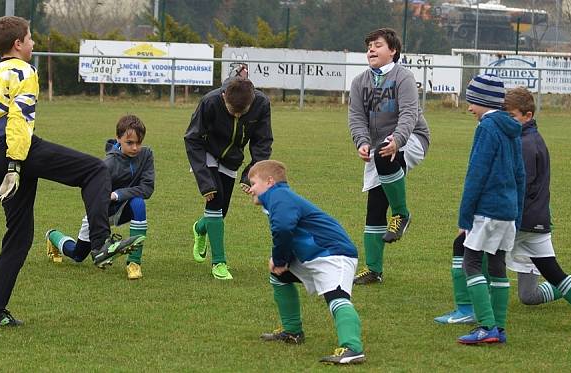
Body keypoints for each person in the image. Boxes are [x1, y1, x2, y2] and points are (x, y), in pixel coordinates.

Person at [0, 16, 142, 328]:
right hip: (16, 150)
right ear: (18, 44)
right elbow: (20, 119)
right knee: (94, 170)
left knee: (19, 237)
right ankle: (101, 243)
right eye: (31, 38)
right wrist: (14, 163)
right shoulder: (24, 70)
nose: (33, 43)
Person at [434, 88, 571, 334]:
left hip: (517, 218)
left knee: (468, 249)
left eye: (511, 115)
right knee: (548, 276)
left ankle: (469, 311)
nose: (506, 119)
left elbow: (517, 183)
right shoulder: (531, 138)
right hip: (538, 220)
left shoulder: (521, 143)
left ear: (527, 116)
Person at [249, 160, 365, 365]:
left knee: (337, 298)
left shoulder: (279, 196)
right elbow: (288, 228)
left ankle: (352, 348)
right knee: (279, 276)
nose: (250, 189)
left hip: (333, 254)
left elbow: (283, 228)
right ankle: (292, 331)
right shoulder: (278, 197)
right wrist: (280, 263)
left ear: (269, 181)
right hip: (315, 255)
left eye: (253, 183)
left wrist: (279, 259)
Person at [347, 27, 431, 285]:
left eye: (378, 45)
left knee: (386, 156)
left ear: (392, 51)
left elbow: (409, 114)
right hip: (380, 146)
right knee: (374, 206)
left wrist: (398, 140)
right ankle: (374, 270)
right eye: (369, 46)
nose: (371, 49)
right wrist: (361, 143)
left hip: (412, 138)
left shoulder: (403, 77)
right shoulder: (360, 81)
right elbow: (356, 118)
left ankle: (402, 214)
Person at [455, 74, 525, 345]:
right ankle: (500, 327)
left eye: (472, 101)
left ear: (484, 102)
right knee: (497, 266)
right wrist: (516, 213)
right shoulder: (511, 128)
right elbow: (520, 174)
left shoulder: (486, 128)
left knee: (470, 262)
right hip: (507, 210)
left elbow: (477, 173)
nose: (468, 106)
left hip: (486, 210)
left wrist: (465, 215)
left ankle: (485, 326)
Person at [45, 114, 154, 280]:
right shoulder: (107, 164)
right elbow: (94, 197)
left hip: (123, 206)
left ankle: (133, 264)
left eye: (138, 143)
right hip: (100, 212)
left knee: (138, 203)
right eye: (129, 143)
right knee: (77, 255)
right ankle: (53, 236)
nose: (135, 148)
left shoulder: (146, 155)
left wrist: (117, 194)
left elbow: (147, 189)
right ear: (118, 138)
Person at [184, 76, 273, 280]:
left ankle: (200, 227)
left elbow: (262, 141)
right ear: (224, 97)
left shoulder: (262, 104)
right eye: (234, 111)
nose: (239, 115)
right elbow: (192, 139)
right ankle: (219, 263)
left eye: (243, 112)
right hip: (206, 152)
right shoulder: (209, 101)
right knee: (214, 200)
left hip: (232, 158)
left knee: (221, 212)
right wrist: (204, 181)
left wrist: (251, 173)